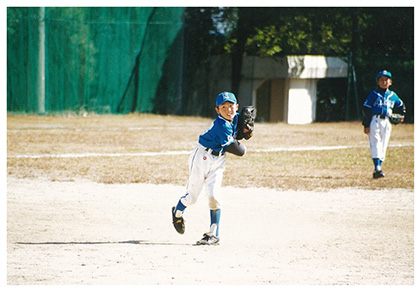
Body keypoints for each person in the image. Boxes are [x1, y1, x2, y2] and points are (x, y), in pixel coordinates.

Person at [171, 92, 249, 245]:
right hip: (201, 157)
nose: (228, 110)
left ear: (237, 106)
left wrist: (246, 131)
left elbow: (237, 132)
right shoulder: (221, 124)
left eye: (231, 106)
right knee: (192, 198)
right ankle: (177, 213)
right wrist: (244, 143)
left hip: (219, 160)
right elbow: (237, 150)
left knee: (214, 195)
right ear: (217, 110)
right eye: (223, 107)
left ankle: (213, 234)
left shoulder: (236, 118)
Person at [362, 70, 406, 179]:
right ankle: (377, 168)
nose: (384, 82)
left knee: (383, 144)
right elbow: (366, 108)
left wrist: (402, 115)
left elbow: (401, 106)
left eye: (386, 80)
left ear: (390, 82)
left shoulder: (393, 95)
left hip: (387, 121)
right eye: (381, 80)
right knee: (376, 143)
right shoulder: (373, 94)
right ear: (378, 82)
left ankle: (378, 168)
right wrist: (366, 124)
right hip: (375, 120)